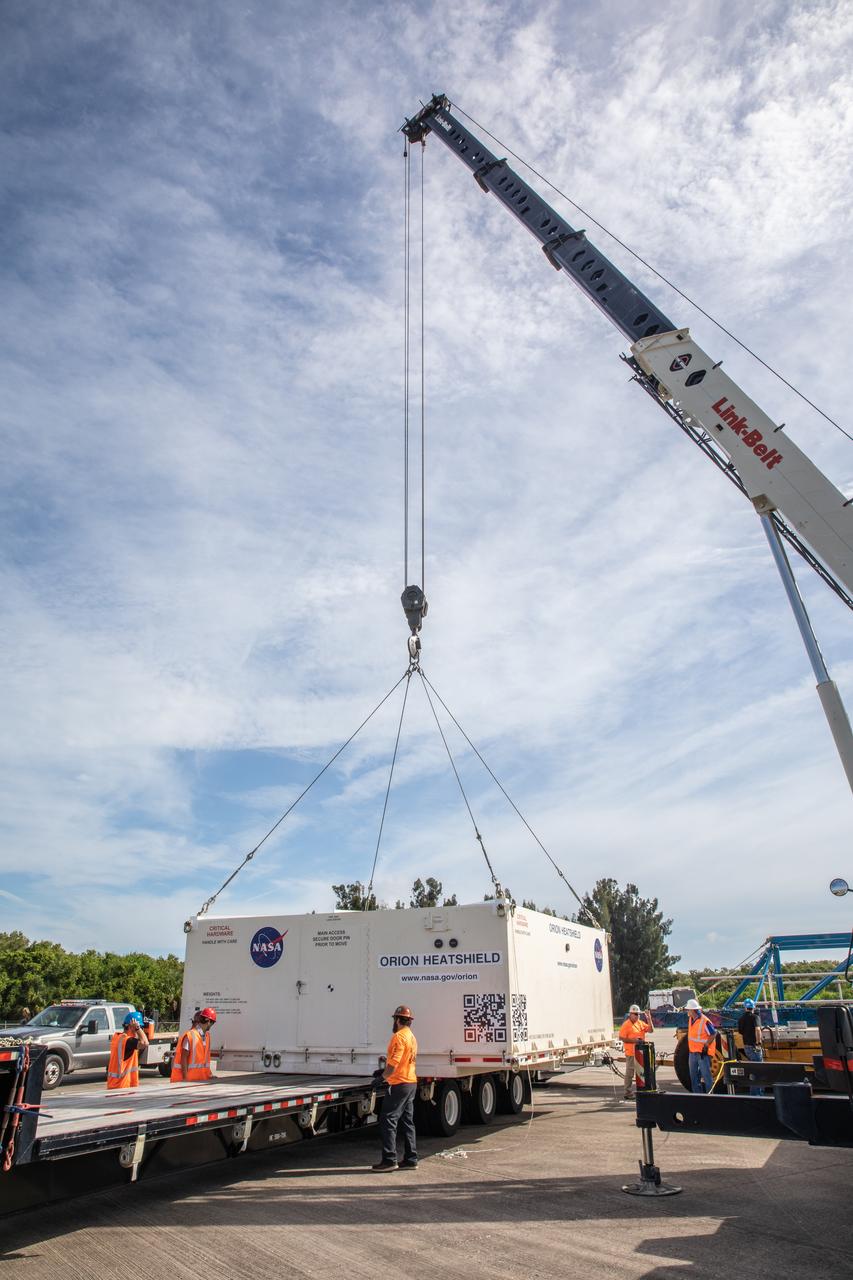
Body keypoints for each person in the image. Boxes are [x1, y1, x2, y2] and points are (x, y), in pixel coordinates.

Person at [372, 1004, 418, 1171]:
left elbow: (394, 1064)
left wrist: (381, 1078)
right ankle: (411, 1159)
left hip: (399, 1084)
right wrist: (383, 1071)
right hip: (411, 1082)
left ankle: (389, 1160)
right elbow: (403, 1061)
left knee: (388, 1120)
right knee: (407, 1122)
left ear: (398, 1020)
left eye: (394, 1019)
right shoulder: (411, 1037)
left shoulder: (399, 1037)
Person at [170, 1007, 216, 1083]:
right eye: (212, 1023)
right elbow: (183, 1058)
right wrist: (185, 1078)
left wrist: (209, 1075)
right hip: (184, 1081)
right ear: (208, 1021)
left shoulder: (207, 1036)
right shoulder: (190, 1035)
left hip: (199, 1080)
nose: (211, 1026)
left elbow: (204, 1061)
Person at [107, 1011, 149, 1090]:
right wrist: (138, 1028)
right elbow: (145, 1043)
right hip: (123, 1087)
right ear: (131, 1026)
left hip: (114, 1085)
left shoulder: (117, 1037)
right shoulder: (128, 1041)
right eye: (140, 1027)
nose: (141, 1030)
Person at [618, 1004, 652, 1100]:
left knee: (642, 1072)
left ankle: (643, 1089)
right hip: (631, 1053)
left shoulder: (640, 1023)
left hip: (640, 1052)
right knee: (630, 1073)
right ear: (630, 1014)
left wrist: (649, 1019)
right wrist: (635, 1041)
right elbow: (622, 1038)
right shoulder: (626, 1025)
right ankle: (627, 1092)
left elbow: (651, 1030)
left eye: (638, 1014)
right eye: (635, 1014)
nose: (637, 1016)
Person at [685, 998, 717, 1093]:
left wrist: (706, 1046)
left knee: (706, 1076)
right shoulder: (691, 1019)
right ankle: (697, 1096)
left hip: (702, 1053)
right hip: (692, 1053)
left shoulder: (704, 1021)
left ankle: (710, 1096)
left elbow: (713, 1033)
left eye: (688, 1010)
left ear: (692, 1010)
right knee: (694, 1077)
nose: (687, 1011)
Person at [737, 997, 764, 1095]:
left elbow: (740, 1031)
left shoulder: (741, 1019)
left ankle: (756, 1093)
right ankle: (757, 1094)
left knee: (753, 1069)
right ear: (753, 1007)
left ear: (745, 1007)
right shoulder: (755, 1017)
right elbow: (757, 1029)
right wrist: (758, 1042)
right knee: (758, 1071)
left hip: (747, 1047)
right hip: (754, 1046)